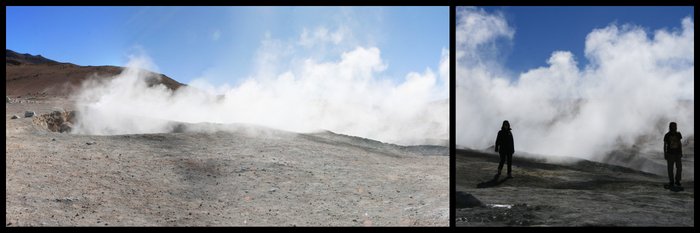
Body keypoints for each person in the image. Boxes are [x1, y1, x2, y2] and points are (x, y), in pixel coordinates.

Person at [663, 122, 683, 188]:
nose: (674, 127)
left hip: (677, 154)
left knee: (679, 168)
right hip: (670, 154)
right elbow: (665, 145)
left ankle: (677, 180)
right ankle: (671, 181)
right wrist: (665, 153)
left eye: (675, 126)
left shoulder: (678, 134)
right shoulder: (667, 135)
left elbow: (680, 143)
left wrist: (681, 152)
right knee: (670, 169)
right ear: (670, 127)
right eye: (673, 126)